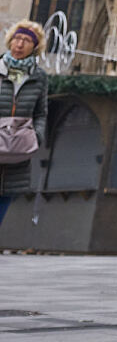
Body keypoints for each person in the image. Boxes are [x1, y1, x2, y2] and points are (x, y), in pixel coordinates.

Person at [0, 20, 49, 233]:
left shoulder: (39, 77)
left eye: (26, 40)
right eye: (17, 39)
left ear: (35, 47)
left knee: (4, 202)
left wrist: (36, 136)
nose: (19, 44)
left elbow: (41, 112)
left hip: (17, 152)